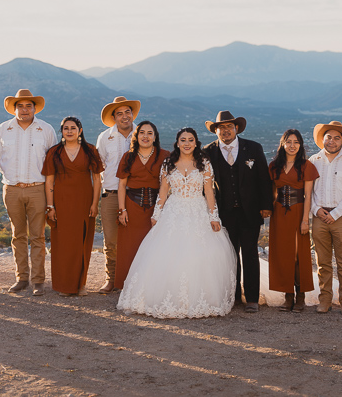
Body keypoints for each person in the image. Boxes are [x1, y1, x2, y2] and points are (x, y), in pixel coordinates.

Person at [117, 128, 237, 318]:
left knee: (201, 254)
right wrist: (156, 214)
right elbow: (163, 191)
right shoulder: (169, 163)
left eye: (191, 140)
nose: (187, 143)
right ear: (177, 142)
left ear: (196, 142)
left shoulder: (204, 163)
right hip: (174, 211)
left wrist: (214, 216)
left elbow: (209, 192)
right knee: (166, 253)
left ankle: (203, 299)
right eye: (183, 140)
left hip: (198, 210)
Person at [202, 110, 273, 312]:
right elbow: (204, 186)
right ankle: (232, 297)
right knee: (229, 255)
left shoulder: (253, 148)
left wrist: (266, 205)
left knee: (250, 254)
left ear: (236, 128)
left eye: (229, 127)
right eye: (221, 128)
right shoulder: (208, 152)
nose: (225, 131)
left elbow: (263, 180)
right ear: (216, 131)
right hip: (224, 213)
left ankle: (252, 298)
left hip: (250, 211)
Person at [0, 88, 57, 295]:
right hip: (12, 189)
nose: (24, 109)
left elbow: (52, 160)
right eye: (20, 106)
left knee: (38, 236)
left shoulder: (46, 129)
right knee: (17, 235)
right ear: (14, 108)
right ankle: (21, 278)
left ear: (35, 108)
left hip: (37, 189)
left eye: (28, 105)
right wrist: (13, 178)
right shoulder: (4, 129)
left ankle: (38, 280)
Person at [42, 116, 103, 296]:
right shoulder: (54, 152)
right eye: (66, 128)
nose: (69, 131)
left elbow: (97, 179)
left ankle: (80, 285)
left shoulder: (90, 150)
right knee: (63, 244)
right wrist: (50, 206)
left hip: (84, 202)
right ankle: (64, 286)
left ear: (80, 130)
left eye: (73, 127)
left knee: (82, 243)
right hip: (61, 202)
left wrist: (94, 203)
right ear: (62, 131)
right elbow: (49, 181)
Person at [309, 121, 342, 315]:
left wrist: (335, 214)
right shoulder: (314, 160)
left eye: (337, 138)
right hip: (319, 216)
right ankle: (325, 299)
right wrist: (316, 210)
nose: (332, 141)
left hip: (341, 218)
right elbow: (309, 192)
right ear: (323, 139)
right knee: (322, 262)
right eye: (328, 137)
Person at [266, 129, 319, 312]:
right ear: (283, 144)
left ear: (300, 145)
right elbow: (272, 193)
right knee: (282, 254)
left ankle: (300, 297)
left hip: (298, 212)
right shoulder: (274, 166)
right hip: (279, 213)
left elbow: (308, 196)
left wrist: (306, 220)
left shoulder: (306, 166)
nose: (292, 145)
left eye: (296, 142)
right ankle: (287, 296)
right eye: (288, 141)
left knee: (297, 255)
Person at [115, 121, 170, 291]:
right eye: (142, 133)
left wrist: (163, 210)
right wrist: (122, 210)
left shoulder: (165, 156)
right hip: (132, 207)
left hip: (156, 208)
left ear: (155, 137)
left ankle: (151, 286)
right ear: (136, 136)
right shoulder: (128, 156)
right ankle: (126, 285)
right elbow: (122, 185)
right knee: (130, 246)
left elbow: (168, 185)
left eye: (150, 133)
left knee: (155, 247)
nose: (145, 136)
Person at [96, 96, 140, 293]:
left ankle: (135, 278)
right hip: (112, 194)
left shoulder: (143, 133)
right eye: (119, 113)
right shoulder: (104, 137)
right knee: (111, 240)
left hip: (137, 194)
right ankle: (111, 278)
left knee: (137, 238)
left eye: (127, 112)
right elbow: (100, 166)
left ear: (132, 114)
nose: (124, 116)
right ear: (114, 117)